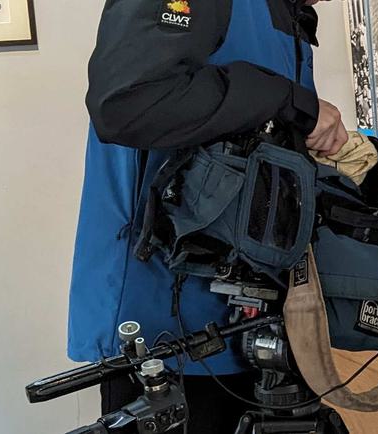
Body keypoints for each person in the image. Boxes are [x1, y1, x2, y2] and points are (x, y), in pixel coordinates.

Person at [67, 0, 345, 432]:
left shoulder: (283, 12)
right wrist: (288, 100)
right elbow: (127, 100)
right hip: (170, 339)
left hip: (266, 336)